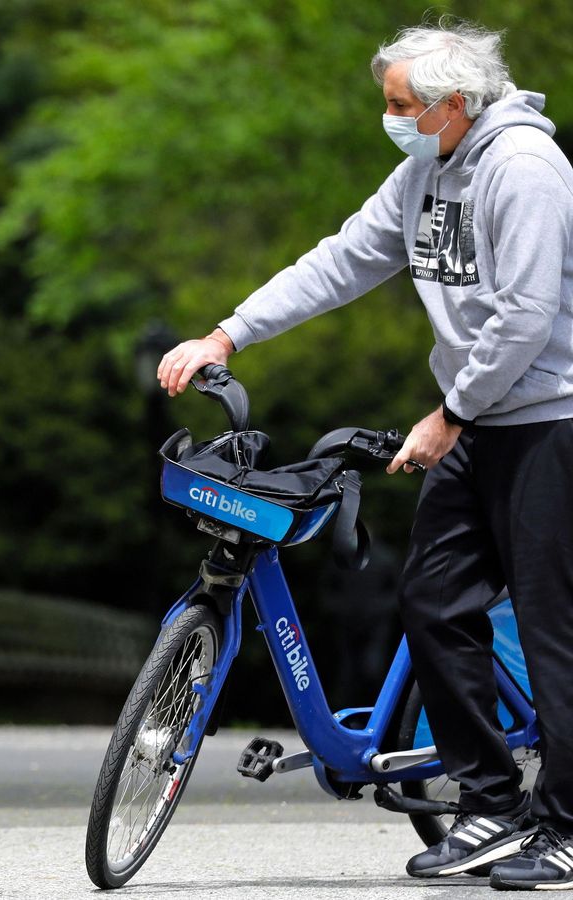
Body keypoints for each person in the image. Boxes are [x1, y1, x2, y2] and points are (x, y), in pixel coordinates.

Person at [156, 21, 573, 889]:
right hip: (481, 421)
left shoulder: (524, 169)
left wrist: (452, 412)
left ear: (453, 104)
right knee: (431, 603)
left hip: (548, 422)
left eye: (399, 104)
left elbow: (528, 313)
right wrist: (228, 332)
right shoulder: (428, 167)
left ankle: (565, 825)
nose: (387, 116)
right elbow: (343, 259)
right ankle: (491, 805)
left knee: (549, 624)